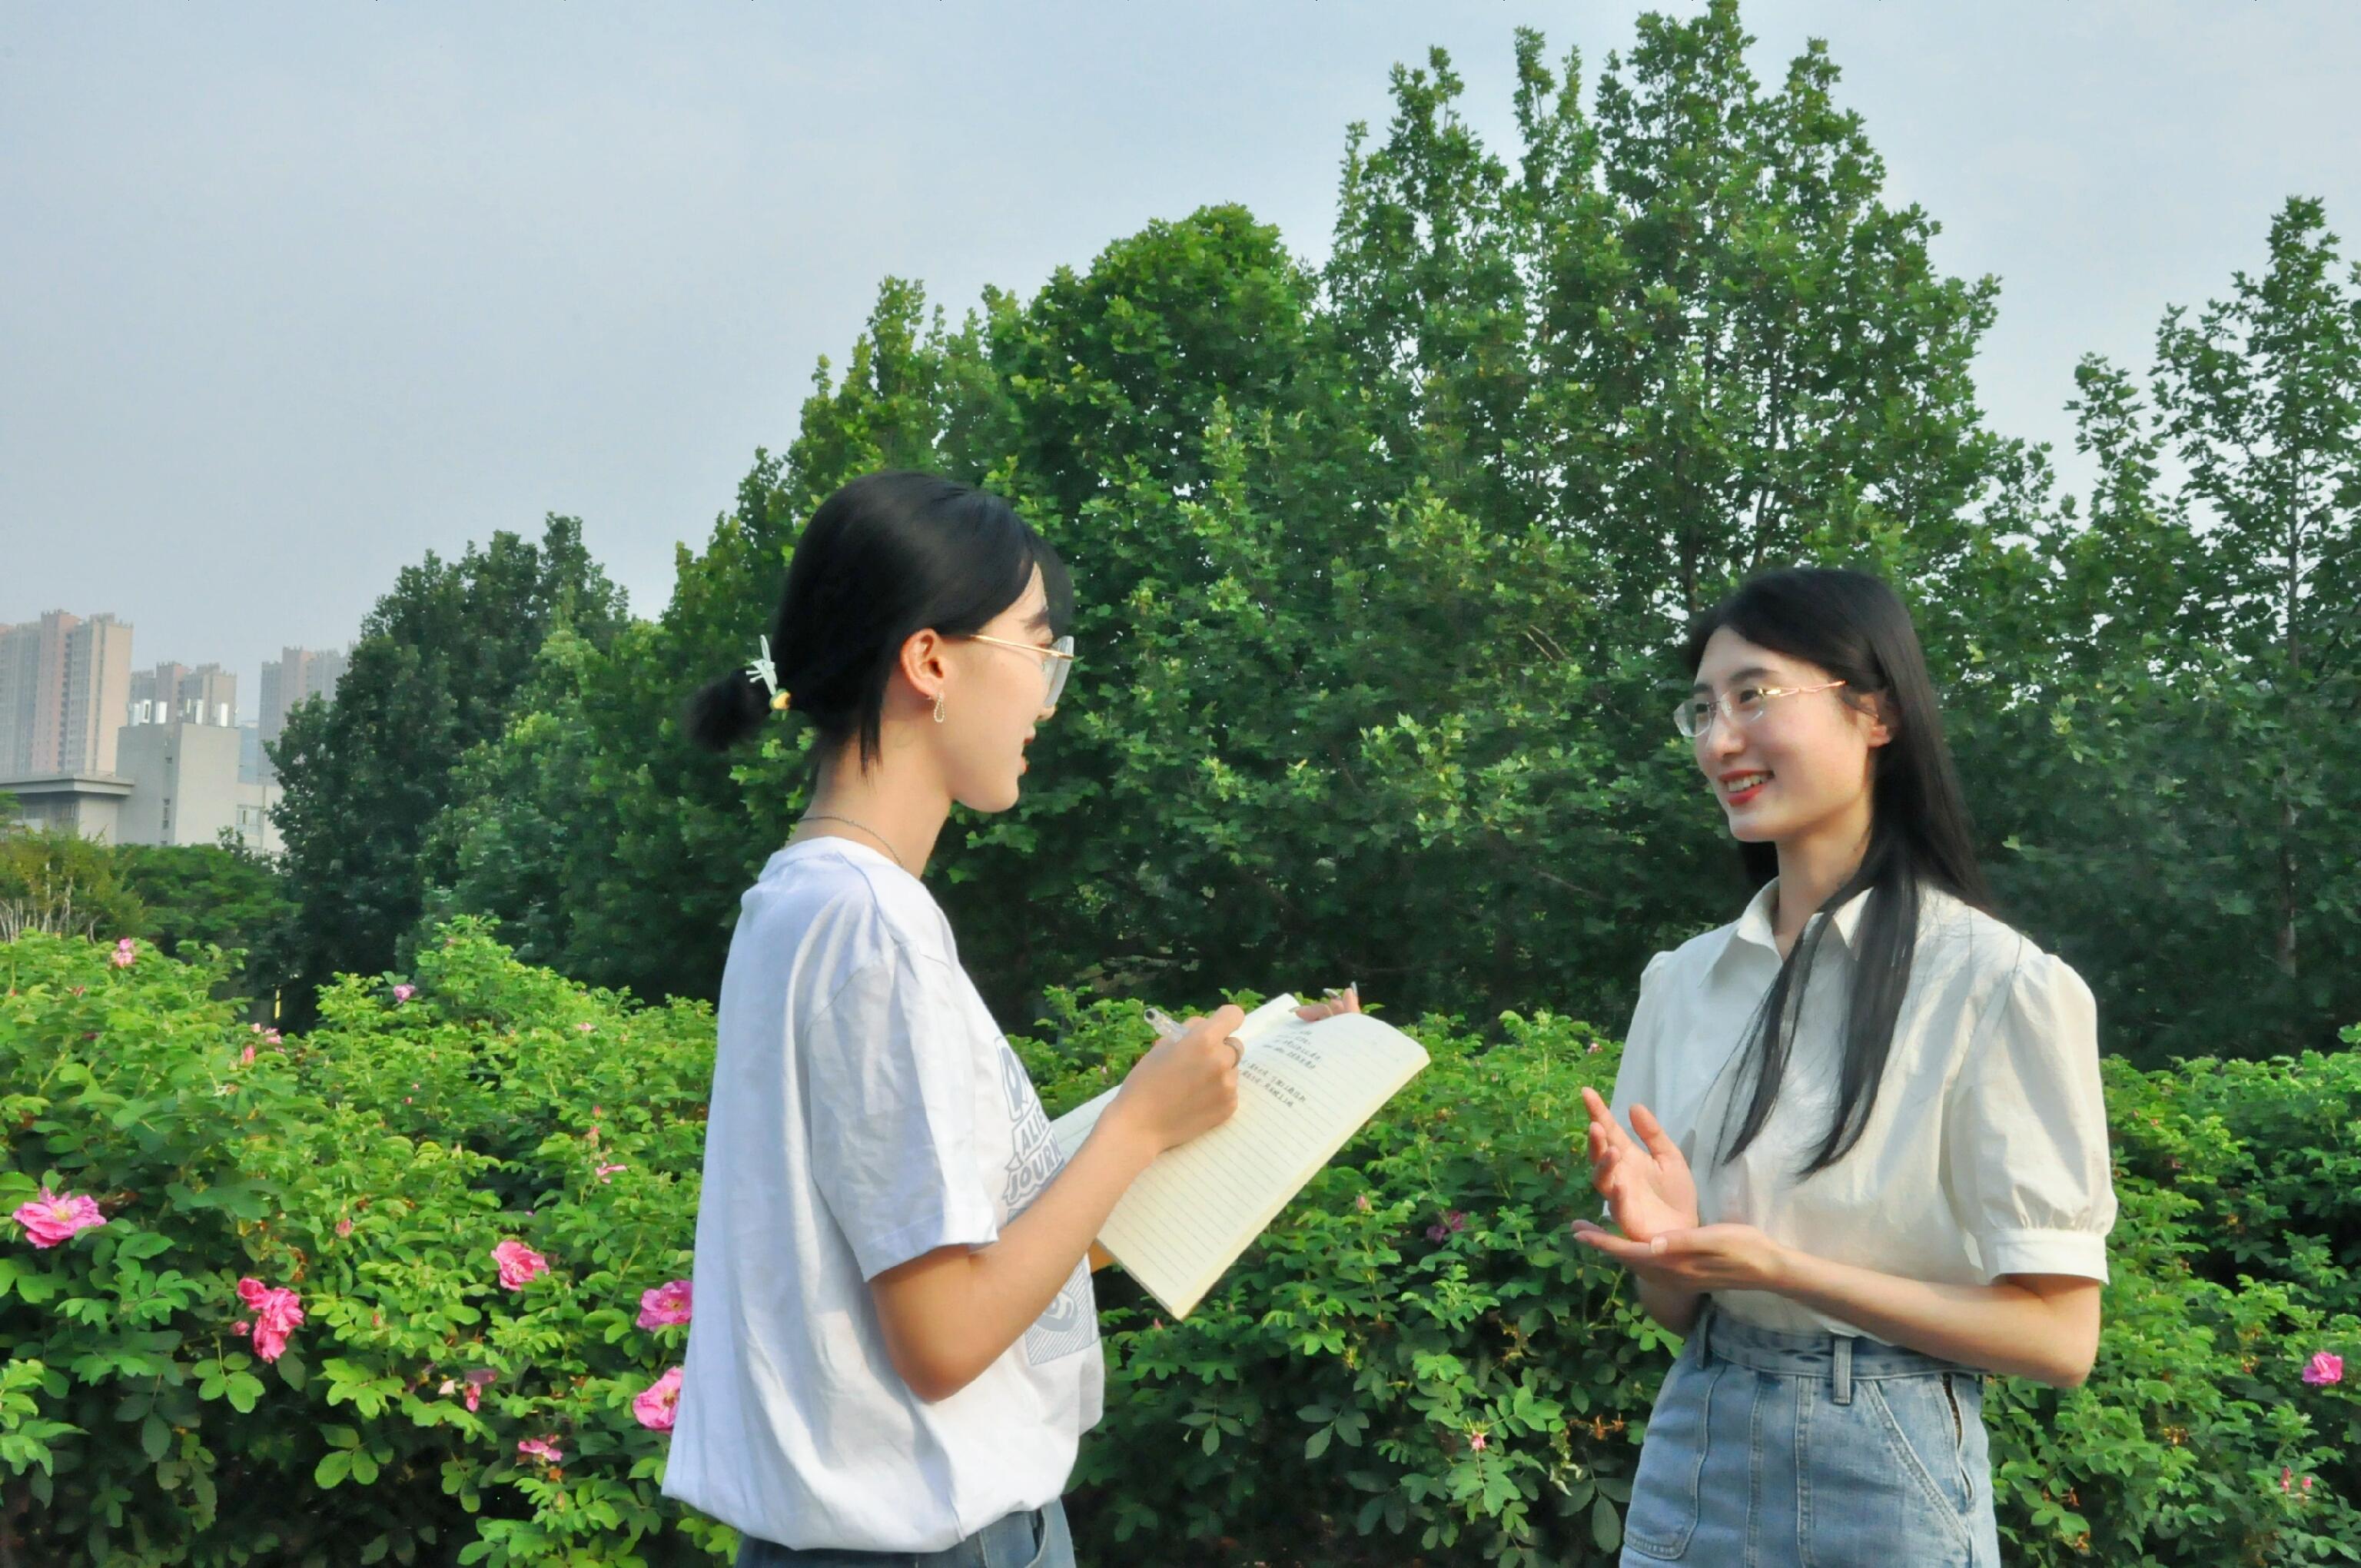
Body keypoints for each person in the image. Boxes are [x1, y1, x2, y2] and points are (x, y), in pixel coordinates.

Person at [662, 470, 1356, 1566]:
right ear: (930, 661)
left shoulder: (798, 900)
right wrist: (1134, 1125)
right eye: (1040, 649)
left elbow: (946, 1257)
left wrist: (1210, 1101)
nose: (1047, 697)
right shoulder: (876, 928)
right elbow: (944, 1339)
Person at [1572, 567, 2117, 1567]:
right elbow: (1674, 1313)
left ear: (1876, 712)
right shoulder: (1682, 983)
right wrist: (1668, 1250)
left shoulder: (1996, 985)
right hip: (1696, 1439)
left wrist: (1788, 1270)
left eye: (1753, 696)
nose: (1719, 741)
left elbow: (2058, 1340)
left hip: (1888, 1465)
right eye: (1703, 709)